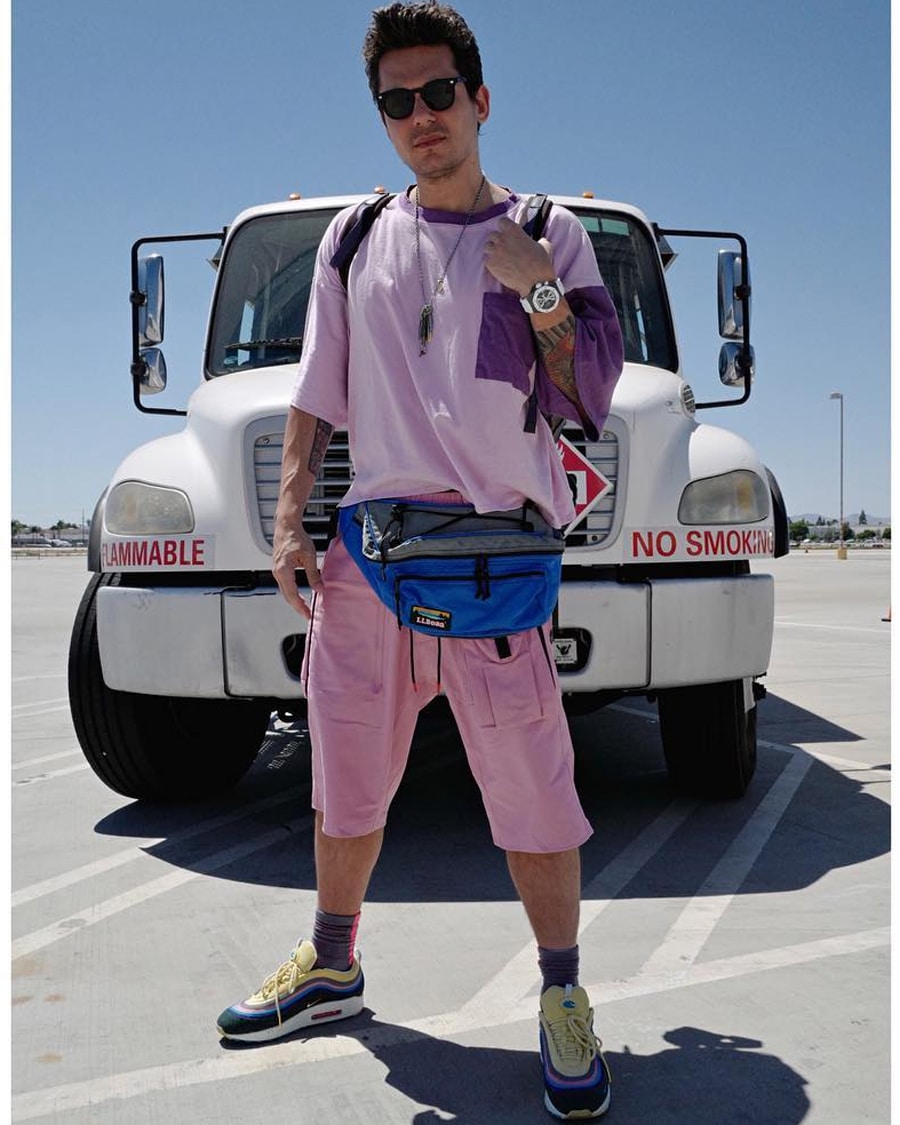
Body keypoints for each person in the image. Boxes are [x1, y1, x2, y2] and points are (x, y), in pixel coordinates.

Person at [216, 2, 624, 1118]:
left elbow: (586, 394)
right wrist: (293, 518)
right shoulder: (353, 239)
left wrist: (537, 284)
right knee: (345, 781)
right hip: (371, 563)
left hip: (495, 566)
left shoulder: (550, 229)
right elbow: (315, 398)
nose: (418, 117)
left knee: (536, 799)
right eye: (395, 102)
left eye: (437, 93)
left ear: (480, 99)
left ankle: (561, 996)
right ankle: (335, 966)